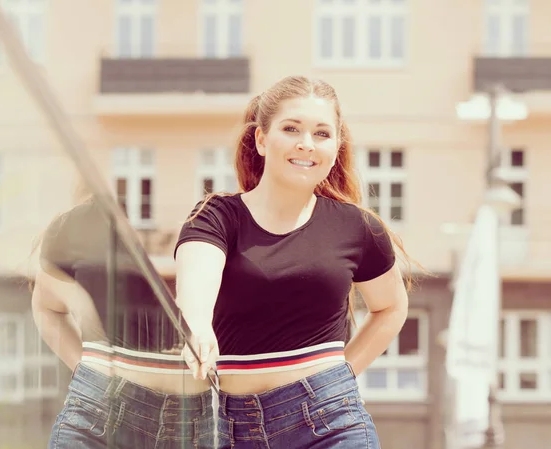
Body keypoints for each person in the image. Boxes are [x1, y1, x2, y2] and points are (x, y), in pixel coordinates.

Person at [174, 75, 414, 449]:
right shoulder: (217, 215)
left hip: (331, 420)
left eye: (322, 133)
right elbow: (197, 275)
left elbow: (392, 306)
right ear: (262, 139)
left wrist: (344, 373)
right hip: (228, 427)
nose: (307, 144)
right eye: (291, 129)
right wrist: (198, 325)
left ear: (336, 145)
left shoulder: (357, 227)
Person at [32, 196, 215, 449]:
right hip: (99, 414)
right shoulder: (91, 226)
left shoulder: (219, 225)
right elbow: (45, 305)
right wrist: (82, 364)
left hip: (188, 424)